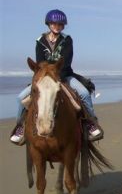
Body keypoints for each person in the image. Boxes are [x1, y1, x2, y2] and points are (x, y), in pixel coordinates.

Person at [10, 9, 103, 145]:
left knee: (84, 94)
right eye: (54, 23)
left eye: (60, 24)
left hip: (64, 75)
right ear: (48, 24)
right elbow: (40, 63)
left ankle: (90, 123)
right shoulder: (40, 41)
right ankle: (21, 127)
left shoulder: (67, 40)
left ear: (63, 26)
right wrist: (47, 76)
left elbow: (66, 61)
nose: (56, 26)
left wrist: (57, 77)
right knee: (20, 98)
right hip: (45, 78)